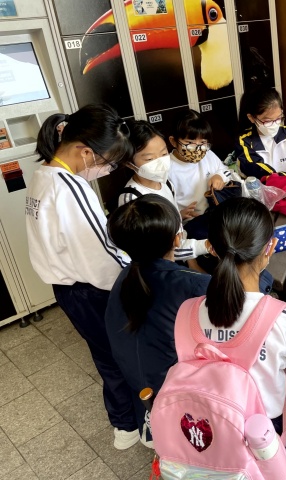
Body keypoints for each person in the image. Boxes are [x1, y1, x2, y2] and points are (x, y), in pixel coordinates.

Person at [25, 104, 139, 449]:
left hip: (67, 290)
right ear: (85, 152)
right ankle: (135, 423)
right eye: (108, 162)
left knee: (105, 355)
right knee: (124, 355)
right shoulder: (70, 188)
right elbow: (100, 252)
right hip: (93, 290)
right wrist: (138, 273)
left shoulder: (42, 175)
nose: (108, 169)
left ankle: (124, 424)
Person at [200, 197, 286, 478]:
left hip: (212, 424)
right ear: (270, 247)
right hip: (269, 432)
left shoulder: (187, 313)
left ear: (210, 248)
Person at [105, 194, 211, 447]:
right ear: (178, 239)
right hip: (175, 391)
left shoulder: (124, 278)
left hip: (139, 386)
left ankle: (152, 423)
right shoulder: (193, 284)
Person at [118, 120, 208, 262]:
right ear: (129, 163)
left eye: (164, 154)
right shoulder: (132, 199)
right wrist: (205, 246)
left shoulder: (165, 183)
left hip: (182, 247)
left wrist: (178, 216)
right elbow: (156, 250)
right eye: (149, 159)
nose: (160, 163)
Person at [168, 109, 231, 239]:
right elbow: (163, 209)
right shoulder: (167, 168)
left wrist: (219, 176)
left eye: (202, 143)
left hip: (213, 213)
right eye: (190, 143)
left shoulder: (208, 154)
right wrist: (179, 215)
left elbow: (226, 170)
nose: (197, 149)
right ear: (173, 141)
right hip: (189, 222)